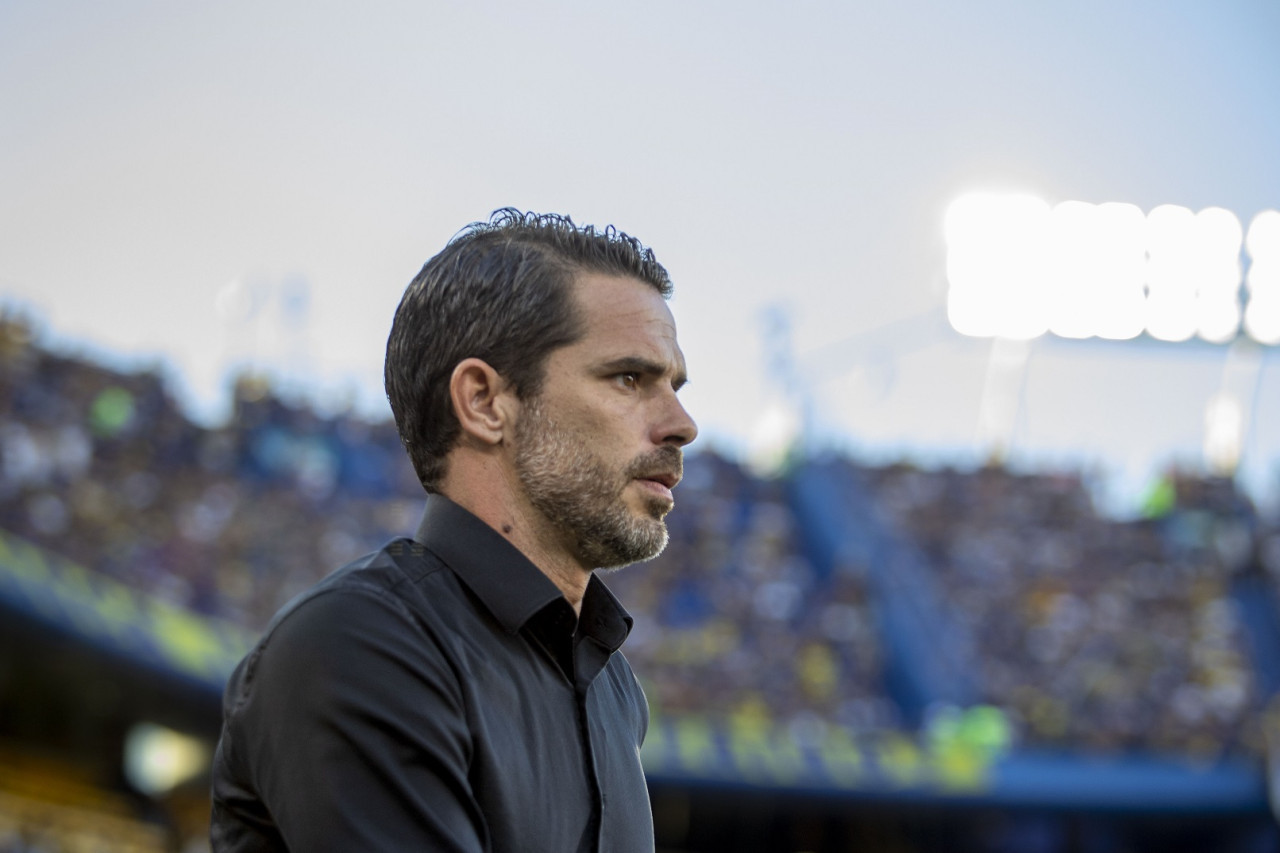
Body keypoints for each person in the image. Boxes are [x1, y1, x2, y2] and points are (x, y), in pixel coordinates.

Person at [210, 209, 698, 852]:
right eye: (629, 378)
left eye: (675, 385)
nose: (682, 422)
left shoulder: (613, 688)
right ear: (484, 402)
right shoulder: (360, 644)